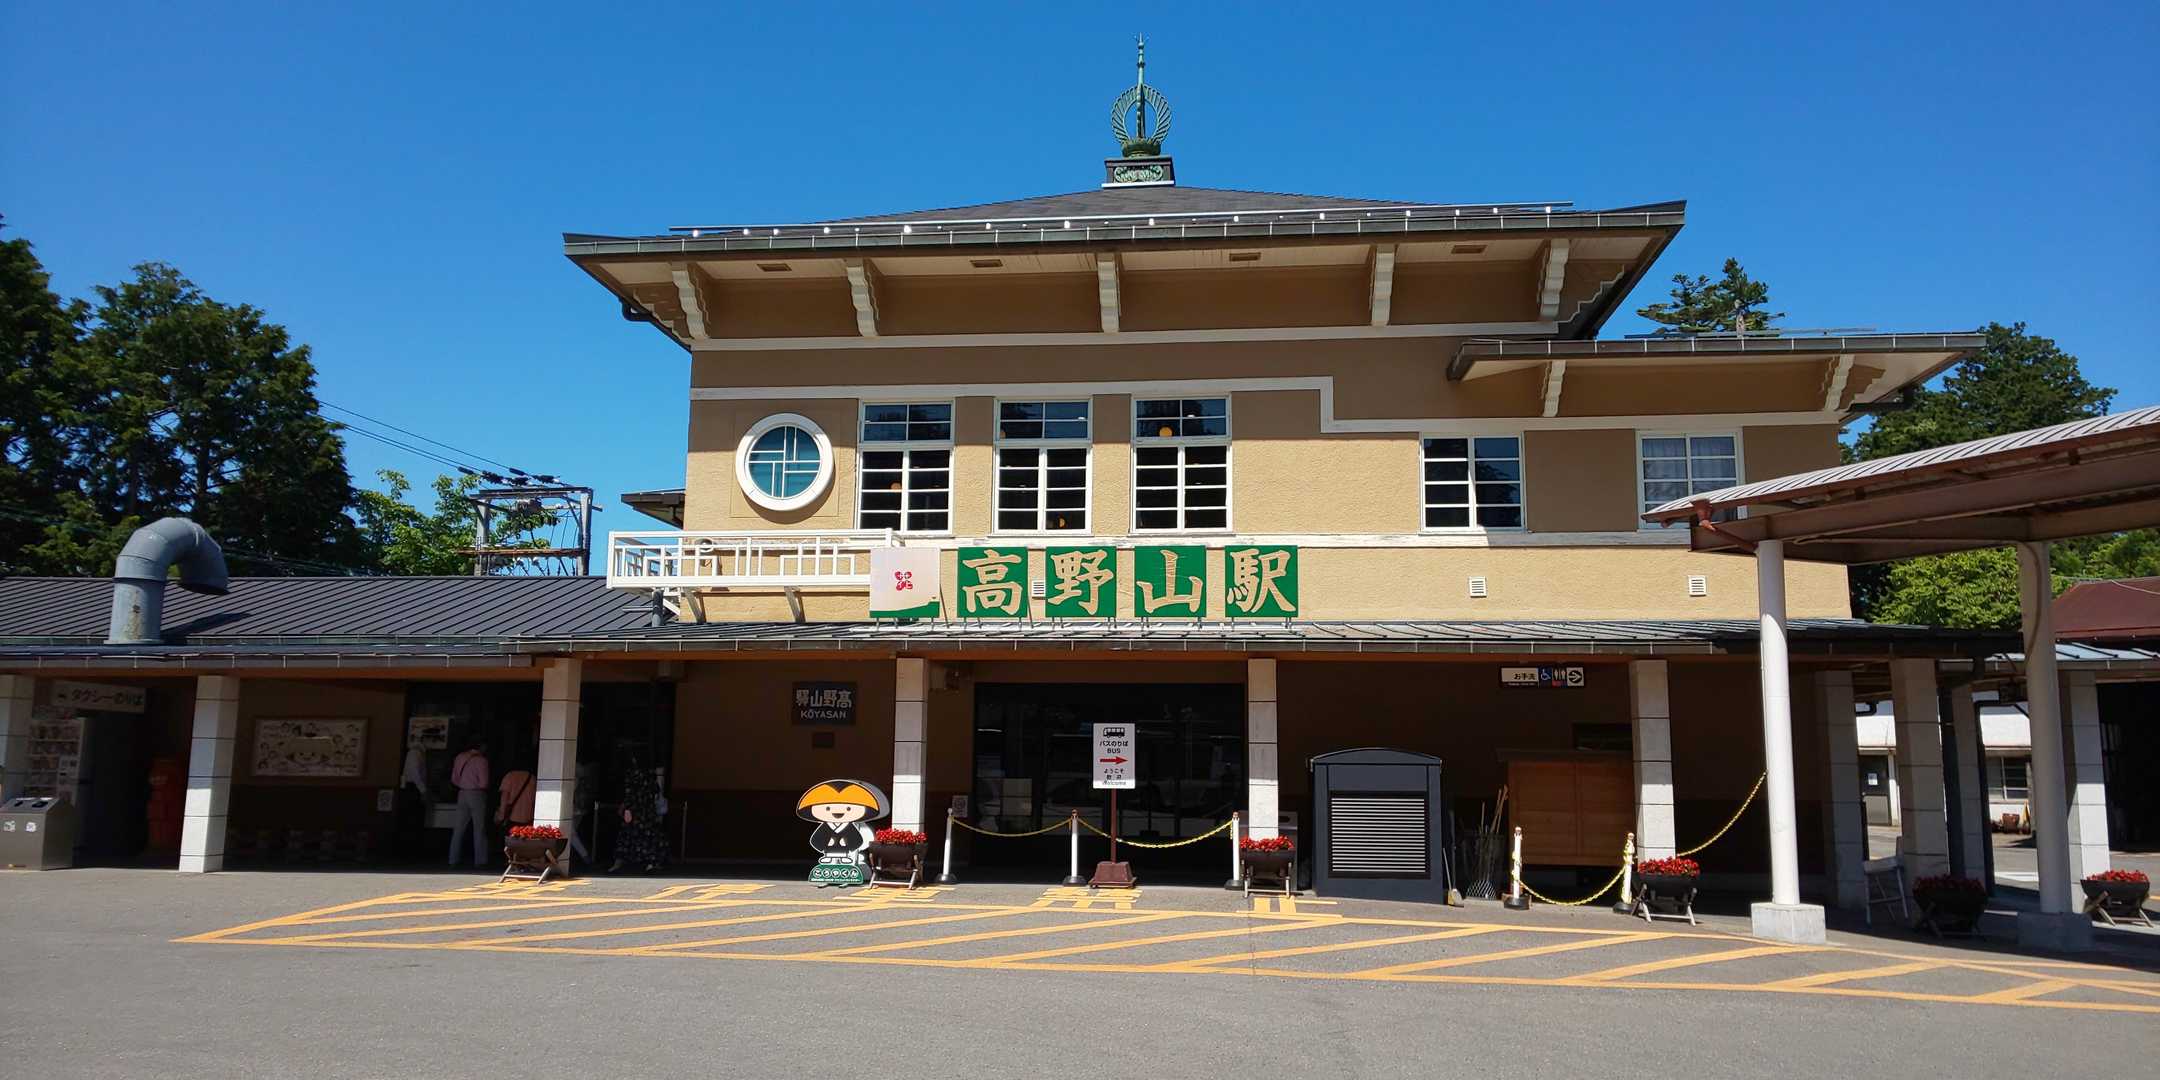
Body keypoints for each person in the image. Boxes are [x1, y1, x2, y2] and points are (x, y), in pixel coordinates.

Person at [609, 755, 667, 874]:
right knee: (649, 837)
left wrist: (626, 807)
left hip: (634, 810)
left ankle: (619, 862)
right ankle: (651, 862)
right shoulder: (650, 774)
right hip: (648, 810)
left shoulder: (632, 774)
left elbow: (629, 793)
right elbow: (656, 791)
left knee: (626, 837)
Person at [447, 739, 491, 868]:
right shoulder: (482, 761)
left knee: (458, 828)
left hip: (462, 793)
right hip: (476, 793)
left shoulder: (459, 757)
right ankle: (480, 860)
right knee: (479, 828)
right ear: (481, 746)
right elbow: (484, 782)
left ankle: (453, 859)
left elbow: (454, 779)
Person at [496, 759, 536, 832]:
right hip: (527, 818)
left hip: (512, 818)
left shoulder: (510, 776)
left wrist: (501, 815)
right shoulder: (532, 778)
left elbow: (504, 798)